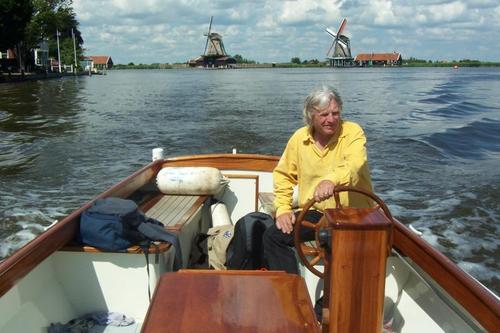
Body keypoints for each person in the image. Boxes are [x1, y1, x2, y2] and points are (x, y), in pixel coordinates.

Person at [263, 85, 374, 274]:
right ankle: (291, 294)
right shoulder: (299, 138)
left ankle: (329, 300)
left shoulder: (353, 132)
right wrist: (283, 209)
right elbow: (283, 175)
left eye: (335, 113)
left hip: (354, 214)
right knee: (273, 237)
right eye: (324, 115)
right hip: (317, 212)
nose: (331, 120)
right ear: (311, 117)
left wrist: (331, 180)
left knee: (341, 252)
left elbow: (355, 164)